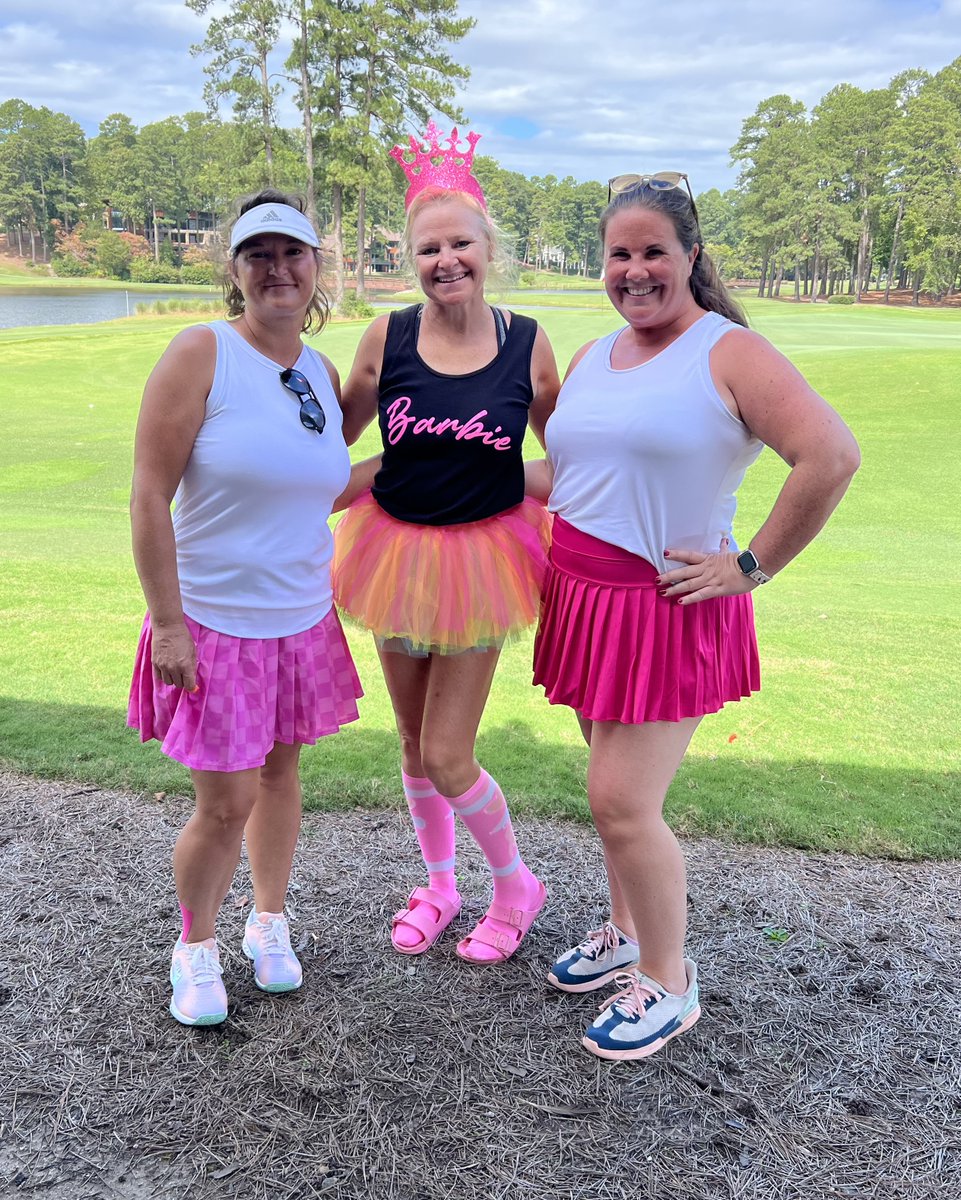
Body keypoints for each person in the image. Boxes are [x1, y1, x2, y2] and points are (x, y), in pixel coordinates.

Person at [531, 172, 860, 1060]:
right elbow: (570, 479)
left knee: (621, 802)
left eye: (653, 253)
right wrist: (449, 473)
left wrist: (749, 566)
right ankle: (626, 932)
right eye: (619, 254)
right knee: (610, 799)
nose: (634, 271)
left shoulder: (728, 352)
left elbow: (829, 455)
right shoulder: (598, 355)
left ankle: (669, 984)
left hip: (663, 604)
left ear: (690, 257)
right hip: (583, 596)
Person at [128, 190, 363, 1026]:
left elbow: (319, 490)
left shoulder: (319, 373)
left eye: (292, 253)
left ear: (314, 268)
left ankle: (268, 923)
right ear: (235, 270)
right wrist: (167, 621)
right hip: (214, 623)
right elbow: (150, 493)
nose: (277, 269)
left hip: (301, 618)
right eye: (258, 255)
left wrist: (446, 467)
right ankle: (193, 947)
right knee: (223, 803)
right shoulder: (201, 353)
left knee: (281, 775)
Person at [333, 124, 559, 964]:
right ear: (411, 257)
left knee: (447, 750)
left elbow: (568, 453)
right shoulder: (383, 340)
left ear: (486, 247)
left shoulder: (527, 342)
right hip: (391, 553)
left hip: (482, 563)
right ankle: (439, 884)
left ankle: (514, 885)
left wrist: (516, 483)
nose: (446, 259)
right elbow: (336, 448)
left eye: (460, 242)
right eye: (429, 248)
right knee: (409, 742)